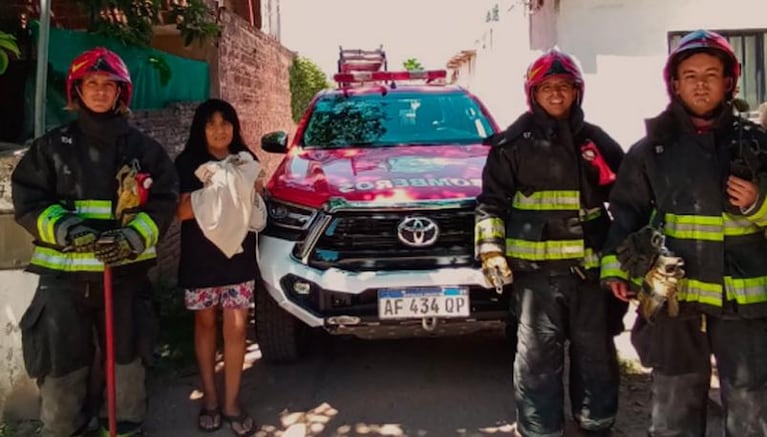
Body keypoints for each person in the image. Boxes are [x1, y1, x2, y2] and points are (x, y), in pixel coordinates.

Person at [601, 29, 767, 436]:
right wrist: (616, 269)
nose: (701, 83)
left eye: (711, 73)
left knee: (750, 409)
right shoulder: (650, 151)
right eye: (690, 74)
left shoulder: (759, 146)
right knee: (674, 409)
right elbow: (625, 213)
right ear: (673, 83)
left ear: (730, 81)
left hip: (744, 305)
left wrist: (758, 204)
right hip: (675, 303)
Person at [11, 47, 178, 436]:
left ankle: (124, 428)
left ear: (122, 93)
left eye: (109, 85)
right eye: (92, 84)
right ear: (77, 91)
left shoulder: (144, 151)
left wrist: (133, 237)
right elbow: (29, 202)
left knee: (127, 365)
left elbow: (165, 202)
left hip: (124, 280)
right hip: (62, 286)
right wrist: (68, 230)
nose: (101, 91)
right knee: (61, 369)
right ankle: (65, 429)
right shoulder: (51, 148)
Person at [475, 49, 625, 437]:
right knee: (537, 357)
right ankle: (540, 428)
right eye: (547, 87)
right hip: (536, 279)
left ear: (578, 92)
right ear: (532, 93)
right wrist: (491, 249)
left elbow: (629, 199)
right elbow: (490, 203)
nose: (556, 95)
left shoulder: (595, 140)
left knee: (596, 354)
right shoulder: (512, 144)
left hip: (590, 272)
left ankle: (597, 422)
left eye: (564, 87)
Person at [175, 99, 263, 436]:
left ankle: (231, 402)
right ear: (201, 128)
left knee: (238, 328)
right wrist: (220, 184)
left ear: (234, 127)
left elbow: (256, 202)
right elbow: (181, 212)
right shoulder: (187, 163)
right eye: (211, 123)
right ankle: (210, 398)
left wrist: (249, 183)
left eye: (225, 122)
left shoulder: (245, 159)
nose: (219, 129)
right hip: (201, 260)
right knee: (205, 322)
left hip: (238, 258)